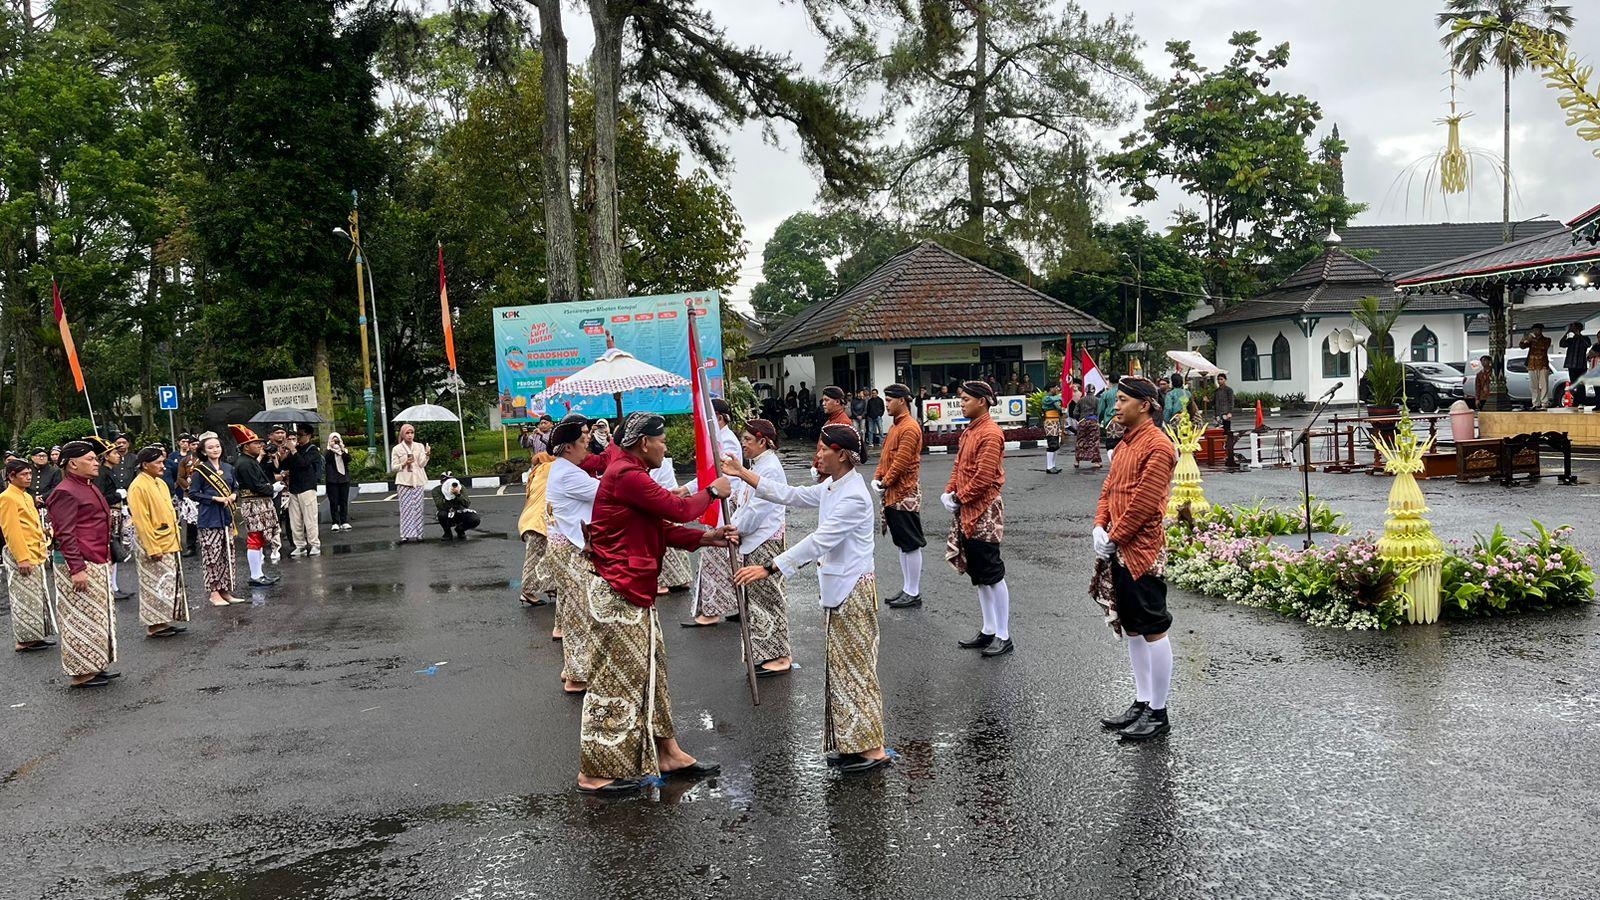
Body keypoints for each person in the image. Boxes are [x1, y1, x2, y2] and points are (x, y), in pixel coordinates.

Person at [577, 411, 737, 794]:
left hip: (633, 588)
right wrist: (712, 492)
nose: (666, 446)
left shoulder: (632, 473)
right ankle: (595, 771)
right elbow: (678, 510)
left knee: (653, 672)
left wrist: (706, 537)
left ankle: (667, 752)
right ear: (644, 442)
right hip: (616, 591)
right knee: (615, 679)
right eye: (662, 440)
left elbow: (660, 528)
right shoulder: (625, 475)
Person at [728, 423, 891, 773]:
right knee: (842, 669)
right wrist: (743, 473)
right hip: (840, 590)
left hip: (852, 591)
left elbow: (820, 540)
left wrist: (771, 566)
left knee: (857, 669)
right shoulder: (834, 486)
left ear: (842, 455)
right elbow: (793, 495)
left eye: (822, 449)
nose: (816, 455)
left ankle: (872, 749)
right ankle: (853, 744)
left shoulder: (853, 496)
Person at [1092, 375, 1178, 742]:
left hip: (1142, 550)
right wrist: (1099, 525)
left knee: (1153, 626)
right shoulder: (1126, 443)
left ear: (1145, 405)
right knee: (1133, 627)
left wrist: (1115, 536)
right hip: (1120, 546)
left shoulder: (1158, 446)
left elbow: (1145, 502)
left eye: (1123, 399)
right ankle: (1143, 701)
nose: (1116, 404)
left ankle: (1159, 712)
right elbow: (1109, 489)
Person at [942, 380, 1013, 657]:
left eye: (966, 399)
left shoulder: (991, 433)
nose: (961, 403)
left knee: (992, 573)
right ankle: (988, 629)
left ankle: (1004, 635)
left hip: (984, 509)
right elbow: (959, 466)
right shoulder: (969, 431)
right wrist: (949, 490)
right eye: (961, 399)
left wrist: (959, 498)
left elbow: (984, 477)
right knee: (979, 575)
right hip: (967, 507)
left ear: (982, 401)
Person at [45, 441, 118, 687]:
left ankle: (94, 665)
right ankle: (81, 673)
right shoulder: (65, 491)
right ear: (73, 463)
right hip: (77, 563)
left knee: (96, 615)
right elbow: (65, 534)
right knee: (79, 617)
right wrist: (77, 569)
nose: (97, 462)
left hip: (95, 557)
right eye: (90, 459)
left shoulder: (88, 486)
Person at [723, 419, 793, 676]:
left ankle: (780, 655)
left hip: (765, 540)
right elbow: (744, 503)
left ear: (763, 441)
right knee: (757, 600)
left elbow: (758, 510)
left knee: (770, 599)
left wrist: (736, 529)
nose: (744, 445)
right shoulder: (756, 466)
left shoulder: (770, 468)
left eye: (748, 440)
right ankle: (766, 653)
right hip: (755, 539)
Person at [546, 417, 602, 690]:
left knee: (573, 609)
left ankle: (573, 669)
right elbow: (608, 493)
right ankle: (577, 676)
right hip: (570, 548)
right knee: (581, 612)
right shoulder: (568, 473)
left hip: (565, 546)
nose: (588, 441)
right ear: (568, 447)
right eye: (583, 438)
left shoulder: (566, 468)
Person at [687, 398, 747, 627]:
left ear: (718, 418)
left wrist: (692, 490)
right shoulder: (718, 439)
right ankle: (732, 605)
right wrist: (689, 489)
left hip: (725, 505)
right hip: (718, 500)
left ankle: (713, 610)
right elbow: (707, 476)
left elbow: (720, 477)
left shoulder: (727, 442)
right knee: (719, 558)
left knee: (716, 556)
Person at [127, 446, 189, 638]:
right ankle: (154, 624)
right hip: (152, 542)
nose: (163, 466)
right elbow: (141, 521)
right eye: (158, 463)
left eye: (163, 462)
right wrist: (152, 547)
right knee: (153, 584)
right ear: (145, 465)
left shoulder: (159, 483)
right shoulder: (138, 486)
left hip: (168, 539)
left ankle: (164, 620)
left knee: (168, 582)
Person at [876, 384, 926, 609]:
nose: (886, 404)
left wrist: (884, 483)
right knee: (902, 543)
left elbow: (901, 463)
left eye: (889, 400)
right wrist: (878, 477)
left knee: (910, 543)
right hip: (892, 493)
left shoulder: (909, 428)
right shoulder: (896, 426)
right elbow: (885, 458)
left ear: (902, 401)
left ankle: (913, 591)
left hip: (904, 492)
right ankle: (907, 588)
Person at [1, 459, 55, 652]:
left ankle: (34, 636)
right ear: (11, 476)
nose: (28, 477)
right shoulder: (7, 497)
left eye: (29, 474)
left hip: (35, 550)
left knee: (36, 596)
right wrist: (22, 557)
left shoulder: (26, 496)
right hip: (21, 553)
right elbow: (12, 531)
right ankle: (24, 640)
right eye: (24, 474)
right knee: (23, 598)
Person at [189, 434, 240, 606]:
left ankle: (226, 589)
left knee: (227, 554)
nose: (215, 450)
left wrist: (233, 495)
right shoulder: (200, 470)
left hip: (226, 516)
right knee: (212, 555)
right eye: (210, 447)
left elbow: (236, 487)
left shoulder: (228, 467)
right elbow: (193, 493)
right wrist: (213, 499)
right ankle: (214, 592)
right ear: (203, 451)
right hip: (209, 517)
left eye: (217, 446)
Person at [230, 425, 281, 588]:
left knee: (258, 539)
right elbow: (256, 485)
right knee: (255, 538)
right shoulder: (244, 463)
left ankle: (259, 573)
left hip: (259, 503)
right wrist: (272, 488)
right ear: (246, 446)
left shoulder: (249, 461)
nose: (260, 446)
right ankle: (255, 575)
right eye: (256, 443)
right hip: (254, 504)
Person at [89, 436, 135, 602]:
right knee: (111, 550)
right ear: (106, 456)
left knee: (115, 551)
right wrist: (117, 495)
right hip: (110, 514)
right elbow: (100, 497)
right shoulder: (102, 473)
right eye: (114, 453)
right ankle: (110, 586)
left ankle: (114, 586)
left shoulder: (110, 471)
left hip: (117, 513)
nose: (118, 455)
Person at [651, 455, 695, 594]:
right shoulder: (656, 459)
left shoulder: (655, 461)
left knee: (664, 546)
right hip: (670, 503)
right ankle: (682, 580)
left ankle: (662, 584)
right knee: (676, 546)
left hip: (663, 505)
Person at [518, 451, 556, 607]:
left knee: (548, 556)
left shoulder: (537, 471)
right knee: (534, 559)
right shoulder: (549, 468)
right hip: (538, 521)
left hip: (533, 519)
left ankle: (551, 587)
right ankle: (526, 592)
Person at [285, 426, 323, 556]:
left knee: (310, 518)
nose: (298, 438)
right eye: (297, 435)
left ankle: (314, 544)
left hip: (307, 488)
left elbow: (303, 463)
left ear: (309, 436)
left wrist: (293, 450)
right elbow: (286, 465)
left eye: (300, 435)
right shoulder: (294, 450)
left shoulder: (312, 450)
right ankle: (299, 545)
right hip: (294, 488)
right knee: (295, 520)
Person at [391, 424, 431, 543]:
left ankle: (419, 534)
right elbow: (394, 467)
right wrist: (404, 462)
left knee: (418, 507)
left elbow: (422, 464)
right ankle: (405, 534)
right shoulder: (397, 449)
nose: (410, 435)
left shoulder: (419, 446)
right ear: (403, 434)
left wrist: (427, 454)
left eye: (412, 433)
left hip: (418, 480)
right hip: (404, 481)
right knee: (405, 508)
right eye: (407, 433)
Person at [432, 472, 480, 540]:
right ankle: (447, 533)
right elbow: (440, 505)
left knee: (475, 519)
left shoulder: (461, 487)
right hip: (447, 512)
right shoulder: (436, 490)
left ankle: (460, 529)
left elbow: (467, 504)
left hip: (460, 511)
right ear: (442, 482)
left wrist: (458, 495)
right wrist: (447, 495)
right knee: (442, 515)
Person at [1520, 323, 1553, 409]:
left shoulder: (1547, 339)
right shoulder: (1531, 340)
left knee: (1544, 384)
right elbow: (1522, 346)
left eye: (1537, 330)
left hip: (1543, 364)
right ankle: (1535, 403)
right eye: (1534, 330)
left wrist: (1532, 339)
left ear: (1541, 330)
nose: (1535, 331)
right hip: (1532, 364)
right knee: (1533, 385)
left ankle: (1544, 402)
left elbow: (1543, 347)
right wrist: (1523, 339)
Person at [324, 432, 352, 531]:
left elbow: (348, 459)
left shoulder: (344, 451)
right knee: (334, 502)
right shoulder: (328, 451)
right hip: (332, 480)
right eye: (333, 439)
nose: (335, 442)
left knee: (344, 501)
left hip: (344, 479)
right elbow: (327, 460)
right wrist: (332, 448)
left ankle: (344, 521)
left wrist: (342, 449)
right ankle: (335, 522)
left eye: (337, 440)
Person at [1560, 323, 1590, 406]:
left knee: (1581, 384)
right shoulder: (1570, 340)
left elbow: (1587, 345)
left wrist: (1578, 334)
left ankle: (1582, 401)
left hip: (1581, 365)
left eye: (1575, 328)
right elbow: (1561, 344)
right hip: (1571, 365)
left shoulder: (1585, 338)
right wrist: (1567, 333)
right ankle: (1576, 401)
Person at [1042, 383, 1065, 474]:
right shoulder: (1046, 398)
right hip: (1050, 422)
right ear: (1051, 389)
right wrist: (1063, 395)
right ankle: (1049, 466)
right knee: (1052, 444)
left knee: (1056, 444)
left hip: (1055, 422)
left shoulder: (1053, 398)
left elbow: (1059, 408)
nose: (1057, 389)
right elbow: (1056, 399)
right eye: (1055, 387)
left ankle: (1053, 465)